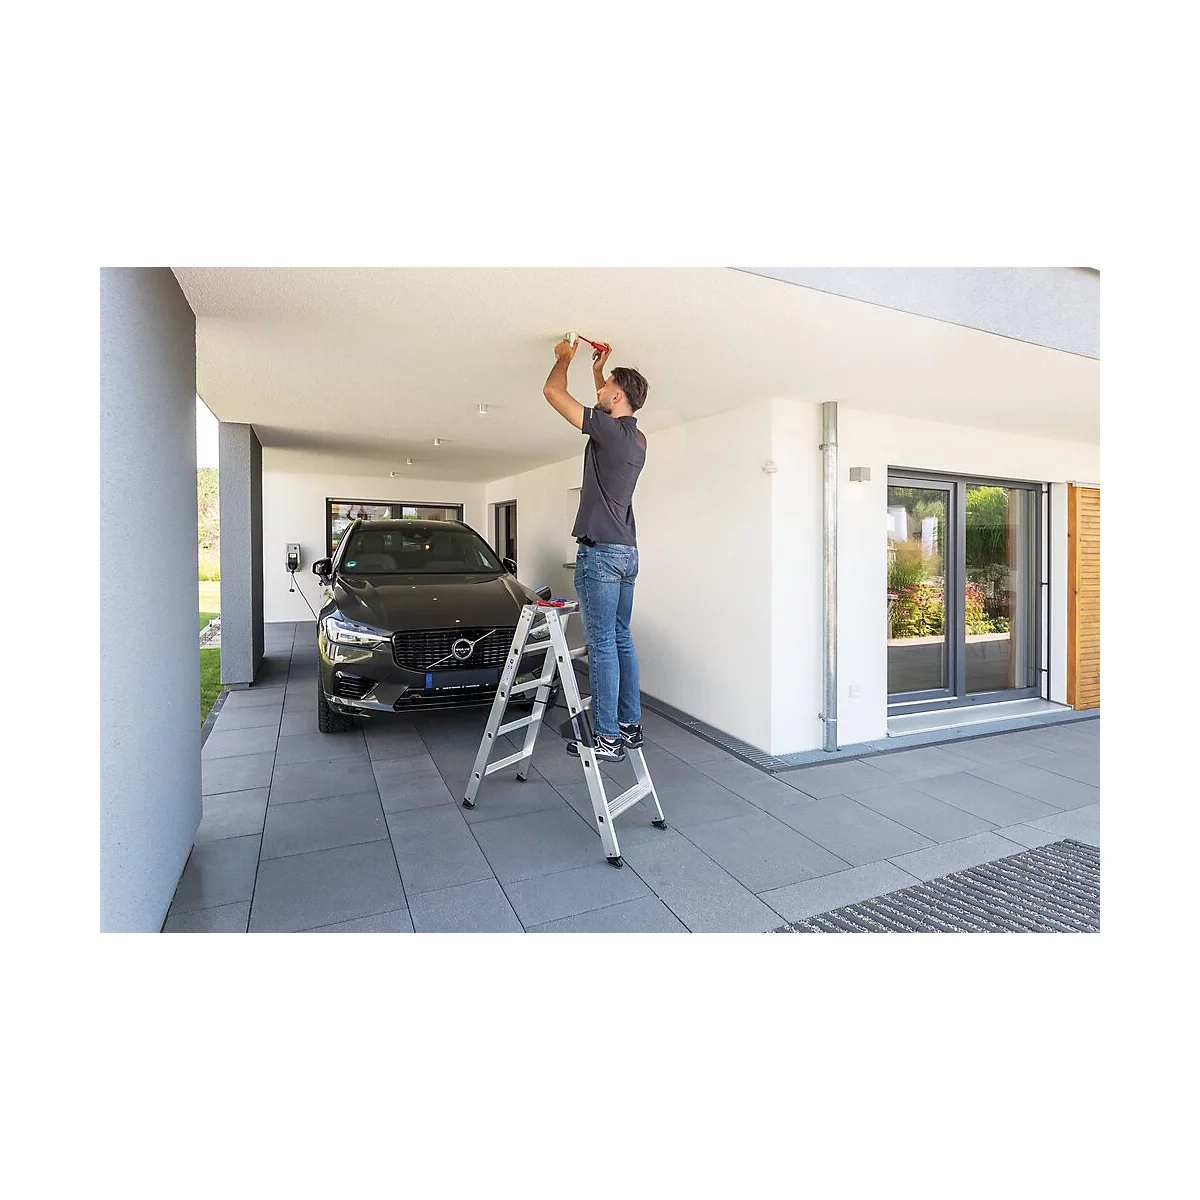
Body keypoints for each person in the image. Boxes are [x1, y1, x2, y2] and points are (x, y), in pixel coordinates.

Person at [543, 335, 649, 763]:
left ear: (618, 395)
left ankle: (606, 737)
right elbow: (605, 400)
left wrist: (564, 359)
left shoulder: (608, 430)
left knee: (602, 643)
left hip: (602, 554)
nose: (600, 392)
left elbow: (553, 393)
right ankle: (629, 724)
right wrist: (596, 370)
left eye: (605, 389)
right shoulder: (636, 438)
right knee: (621, 639)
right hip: (626, 552)